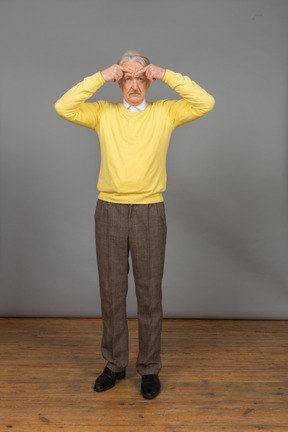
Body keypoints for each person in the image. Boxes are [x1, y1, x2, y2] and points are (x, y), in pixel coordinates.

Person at [54, 50, 215, 399]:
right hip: (109, 209)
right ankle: (114, 364)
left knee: (149, 295)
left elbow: (205, 102)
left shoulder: (166, 112)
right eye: (126, 77)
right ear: (118, 81)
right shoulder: (103, 114)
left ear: (149, 81)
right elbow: (63, 107)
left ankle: (149, 368)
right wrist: (99, 75)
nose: (134, 84)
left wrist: (168, 73)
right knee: (111, 293)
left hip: (149, 211)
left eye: (140, 77)